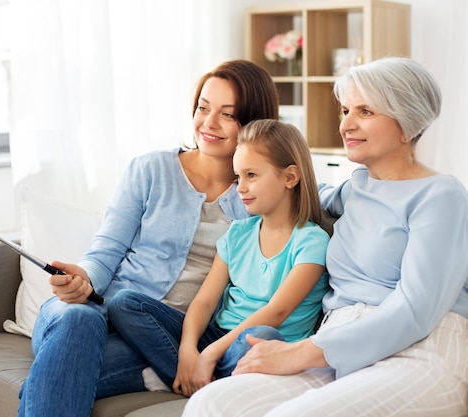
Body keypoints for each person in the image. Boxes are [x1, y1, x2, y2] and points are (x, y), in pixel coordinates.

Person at [181, 56, 468, 417]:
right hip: (337, 347)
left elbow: (414, 312)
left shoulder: (441, 196)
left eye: (365, 111)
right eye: (345, 110)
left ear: (406, 123)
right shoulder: (356, 189)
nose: (346, 124)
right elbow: (291, 191)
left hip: (418, 350)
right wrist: (230, 172)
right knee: (212, 403)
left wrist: (299, 352)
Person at [17, 59, 280, 417]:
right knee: (80, 319)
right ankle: (158, 372)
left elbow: (312, 192)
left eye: (228, 114)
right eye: (203, 108)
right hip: (93, 313)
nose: (209, 123)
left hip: (163, 337)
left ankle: (150, 370)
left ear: (254, 123)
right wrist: (84, 279)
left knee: (56, 377)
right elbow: (106, 250)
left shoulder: (259, 196)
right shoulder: (151, 170)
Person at [107, 119, 330, 398]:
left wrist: (209, 353)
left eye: (252, 175)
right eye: (238, 177)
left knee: (262, 336)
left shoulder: (312, 241)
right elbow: (204, 300)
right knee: (124, 302)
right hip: (218, 335)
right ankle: (190, 374)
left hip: (257, 346)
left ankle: (190, 378)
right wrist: (189, 351)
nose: (240, 188)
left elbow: (277, 312)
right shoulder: (238, 233)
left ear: (289, 177)